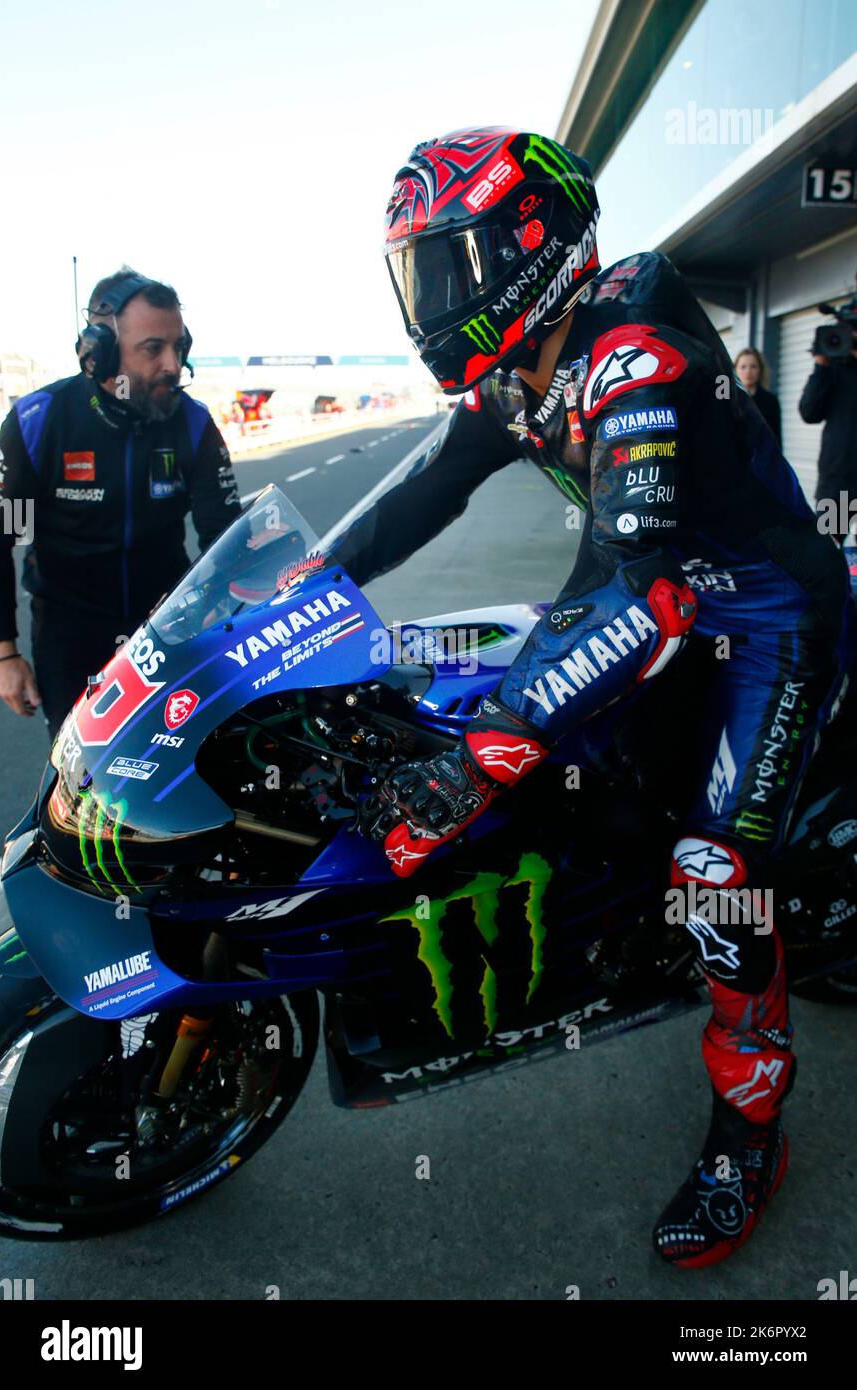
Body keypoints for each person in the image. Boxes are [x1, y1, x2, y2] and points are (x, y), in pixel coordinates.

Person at [332, 127, 855, 1268]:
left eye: (447, 267)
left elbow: (651, 596)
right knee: (509, 714)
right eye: (416, 269)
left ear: (527, 254)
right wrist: (302, 584)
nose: (428, 298)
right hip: (651, 588)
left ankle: (748, 1122)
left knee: (715, 875)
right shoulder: (522, 365)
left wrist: (473, 765)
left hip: (762, 616)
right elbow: (417, 497)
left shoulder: (632, 361)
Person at [0, 267, 241, 740]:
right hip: (69, 635)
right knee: (85, 783)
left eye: (179, 346)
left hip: (167, 628)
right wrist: (3, 653)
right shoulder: (38, 423)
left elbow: (225, 537)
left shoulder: (191, 424)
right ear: (99, 353)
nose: (172, 363)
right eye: (153, 348)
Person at [798, 303, 857, 542]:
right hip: (838, 479)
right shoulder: (834, 366)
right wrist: (821, 366)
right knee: (829, 547)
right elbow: (809, 412)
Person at [733, 346, 781, 444]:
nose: (748, 371)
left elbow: (776, 438)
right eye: (743, 367)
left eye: (753, 366)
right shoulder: (728, 399)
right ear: (735, 370)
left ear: (760, 370)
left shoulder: (771, 401)